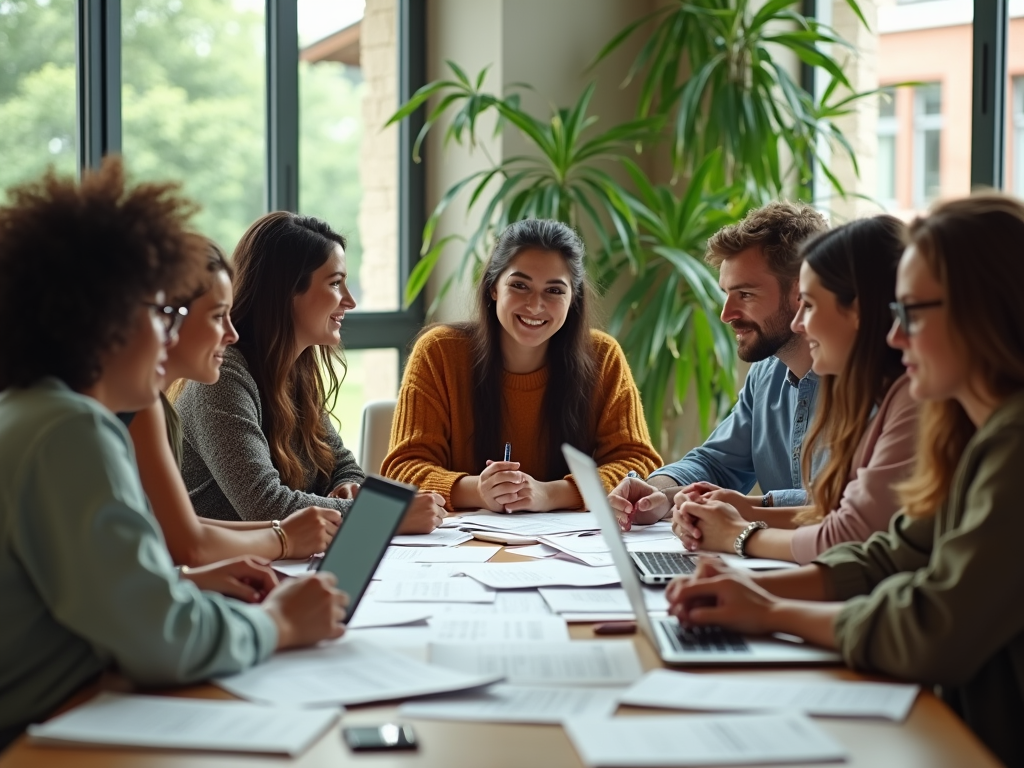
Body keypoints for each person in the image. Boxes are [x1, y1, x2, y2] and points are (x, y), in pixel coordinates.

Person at [664, 194, 1024, 768]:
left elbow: (933, 626)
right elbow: (890, 555)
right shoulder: (969, 431)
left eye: (910, 314)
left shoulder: (1010, 444)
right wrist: (751, 591)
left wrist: (768, 607)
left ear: (980, 309)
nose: (895, 337)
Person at [0, 160, 347, 750]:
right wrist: (278, 623)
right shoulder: (70, 429)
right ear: (101, 318)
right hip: (37, 737)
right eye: (163, 314)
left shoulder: (31, 410)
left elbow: (93, 595)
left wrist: (180, 582)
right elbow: (160, 640)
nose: (170, 336)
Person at [177, 212, 444, 533]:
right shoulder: (223, 377)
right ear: (287, 290)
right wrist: (386, 515)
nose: (350, 301)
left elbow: (343, 466)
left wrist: (348, 488)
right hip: (230, 571)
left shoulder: (296, 370)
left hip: (281, 562)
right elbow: (265, 505)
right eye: (335, 283)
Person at [672, 216, 917, 564]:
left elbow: (848, 531)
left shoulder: (905, 396)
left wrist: (739, 532)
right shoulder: (767, 375)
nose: (799, 323)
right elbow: (837, 513)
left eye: (810, 303)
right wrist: (665, 493)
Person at [381, 218, 661, 512]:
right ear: (493, 287)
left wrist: (550, 494)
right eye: (520, 285)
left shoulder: (603, 356)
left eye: (554, 291)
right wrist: (479, 490)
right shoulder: (438, 352)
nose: (535, 305)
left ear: (573, 299)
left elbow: (638, 465)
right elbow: (403, 469)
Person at [608, 202, 828, 529]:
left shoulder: (863, 380)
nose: (726, 314)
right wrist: (658, 491)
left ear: (800, 292)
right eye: (726, 293)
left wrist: (742, 508)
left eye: (745, 294)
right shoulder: (766, 375)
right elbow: (716, 464)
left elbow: (843, 504)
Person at [126, 236, 342, 566]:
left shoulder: (151, 407)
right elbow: (186, 544)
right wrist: (281, 537)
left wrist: (284, 532)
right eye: (217, 316)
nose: (232, 333)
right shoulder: (139, 408)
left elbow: (167, 530)